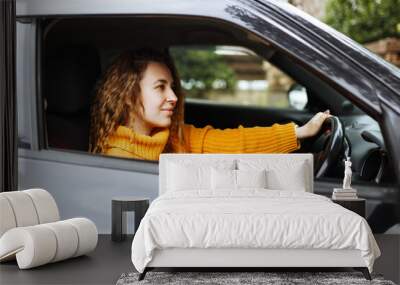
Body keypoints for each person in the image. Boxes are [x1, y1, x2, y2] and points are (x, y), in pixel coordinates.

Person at [89, 49, 332, 160]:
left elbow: (237, 143)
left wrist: (299, 132)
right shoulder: (116, 159)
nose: (173, 97)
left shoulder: (176, 137)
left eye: (172, 86)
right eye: (160, 87)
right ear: (129, 96)